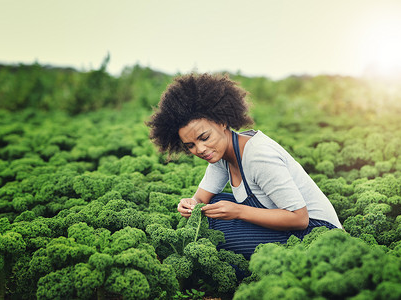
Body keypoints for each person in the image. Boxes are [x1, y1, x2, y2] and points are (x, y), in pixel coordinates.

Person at [147, 73, 342, 259]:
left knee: (213, 230)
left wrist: (238, 211)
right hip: (291, 227)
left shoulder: (258, 155)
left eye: (204, 137)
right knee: (209, 210)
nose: (201, 149)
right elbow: (201, 198)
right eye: (191, 145)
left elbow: (299, 219)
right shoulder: (221, 153)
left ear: (222, 122)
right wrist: (190, 204)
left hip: (316, 233)